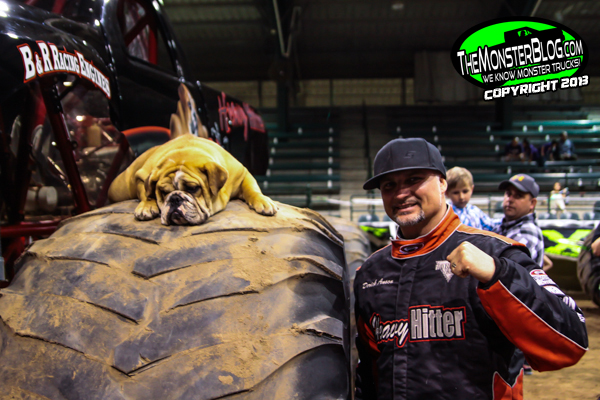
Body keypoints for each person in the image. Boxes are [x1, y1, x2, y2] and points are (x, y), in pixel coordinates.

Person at [354, 138, 586, 400]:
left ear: (442, 183)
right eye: (389, 185)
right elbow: (368, 375)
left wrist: (499, 275)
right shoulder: (370, 273)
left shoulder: (496, 253)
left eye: (414, 180)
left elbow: (572, 341)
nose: (400, 194)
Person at [445, 166, 496, 230]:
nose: (461, 197)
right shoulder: (446, 213)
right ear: (447, 193)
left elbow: (491, 226)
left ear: (471, 189)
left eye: (465, 191)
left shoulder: (475, 211)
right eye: (456, 193)